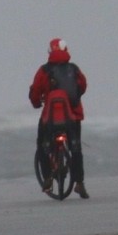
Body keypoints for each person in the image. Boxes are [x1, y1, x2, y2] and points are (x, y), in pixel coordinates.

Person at [29, 38, 88, 198]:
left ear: (50, 52)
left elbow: (35, 91)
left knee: (42, 145)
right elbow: (83, 86)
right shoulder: (74, 69)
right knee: (75, 148)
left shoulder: (44, 71)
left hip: (50, 119)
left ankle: (48, 177)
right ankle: (79, 183)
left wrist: (36, 103)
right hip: (72, 116)